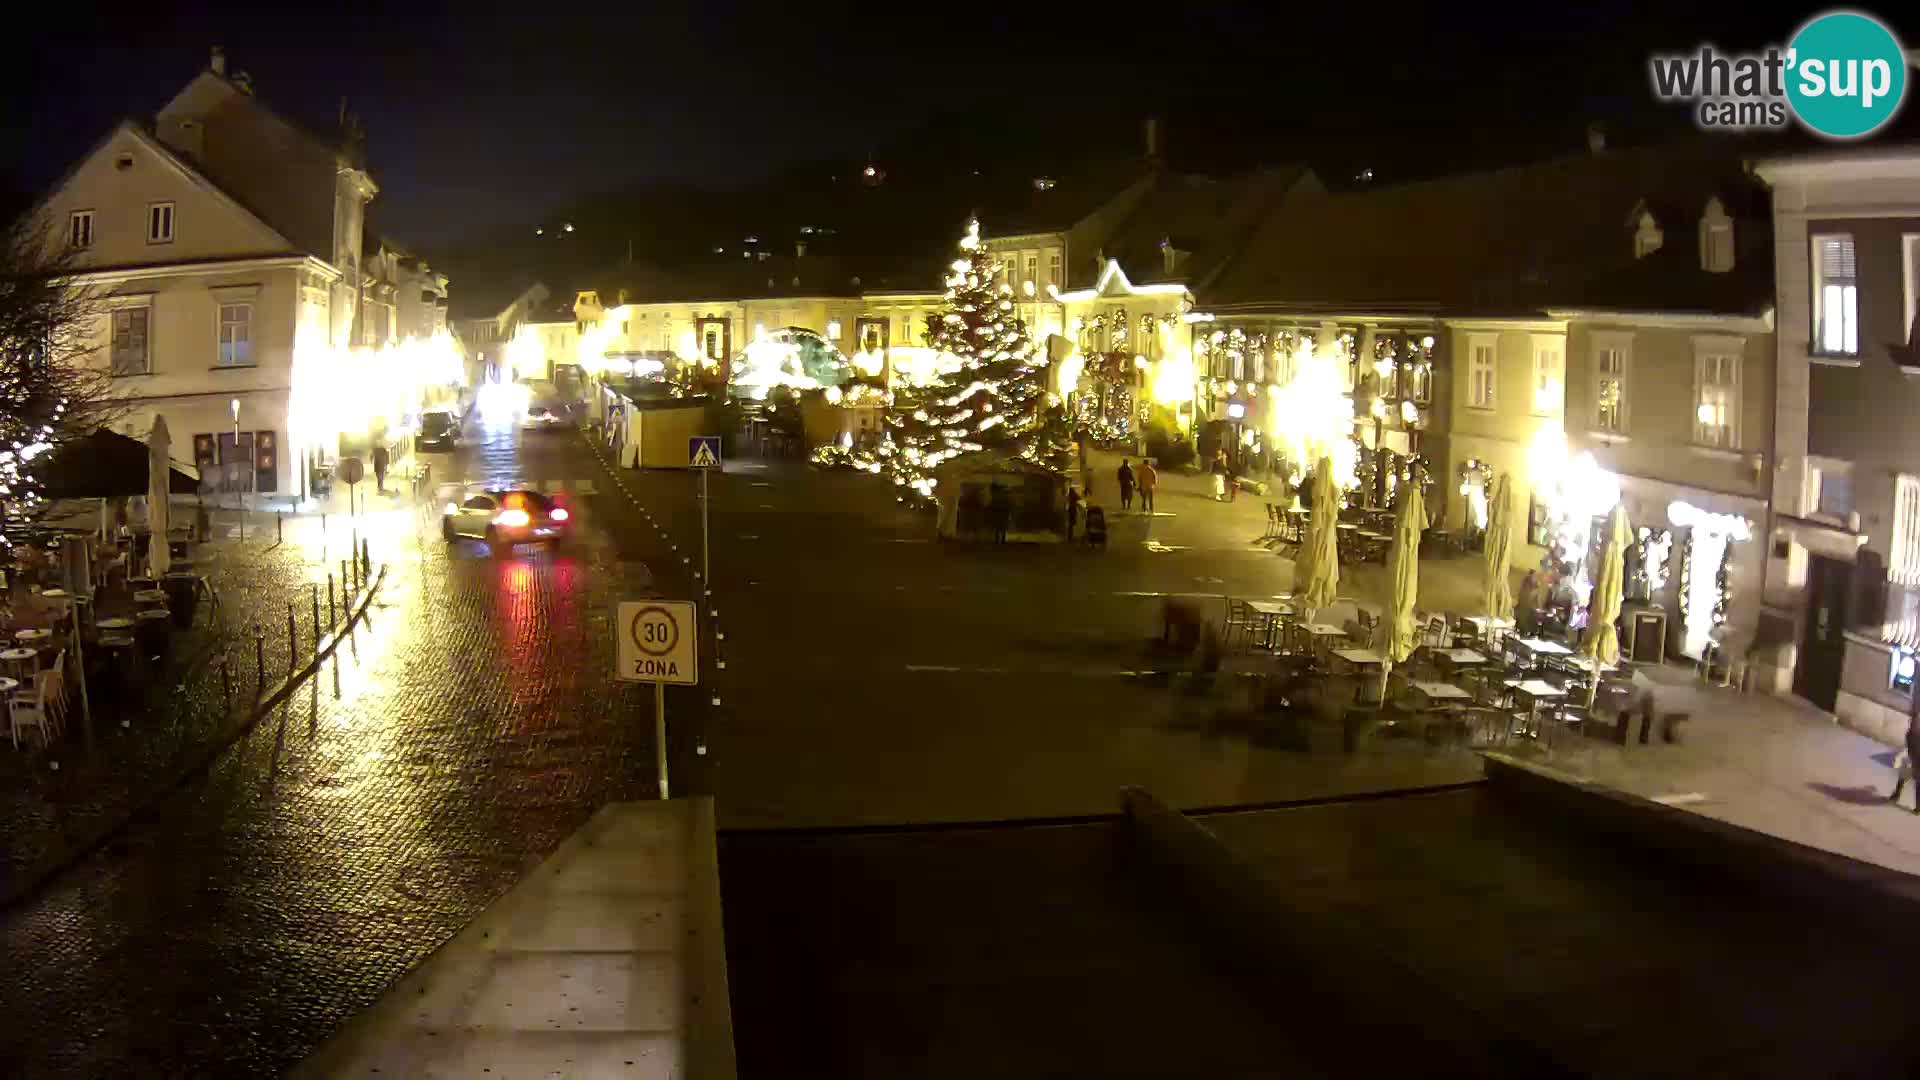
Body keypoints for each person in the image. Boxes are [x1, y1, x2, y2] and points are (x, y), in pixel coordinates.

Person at [1891, 706, 1920, 812]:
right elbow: (1908, 741)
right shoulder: (1911, 731)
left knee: (1916, 779)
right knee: (1905, 773)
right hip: (1913, 753)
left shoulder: (1913, 730)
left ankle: (1918, 806)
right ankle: (1897, 794)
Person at [1515, 570, 1541, 637]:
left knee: (1528, 615)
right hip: (1527, 609)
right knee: (1530, 615)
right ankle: (1526, 632)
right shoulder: (1533, 589)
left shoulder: (1528, 588)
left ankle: (1524, 631)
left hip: (1526, 608)